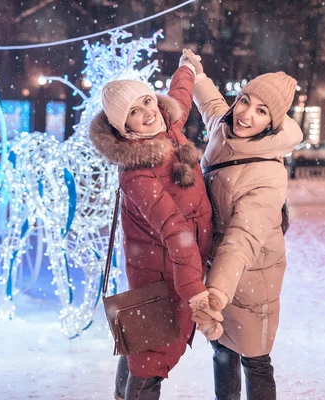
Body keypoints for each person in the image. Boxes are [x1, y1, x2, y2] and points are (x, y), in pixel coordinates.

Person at [89, 50, 222, 400]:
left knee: (142, 346)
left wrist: (186, 68)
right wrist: (195, 291)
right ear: (124, 127)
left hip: (173, 268)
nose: (147, 113)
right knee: (151, 360)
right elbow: (175, 231)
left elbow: (179, 97)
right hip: (163, 277)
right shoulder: (138, 174)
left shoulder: (169, 127)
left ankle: (122, 394)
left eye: (147, 101)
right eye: (134, 112)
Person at [185, 51, 303, 400]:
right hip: (219, 262)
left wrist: (217, 291)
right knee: (222, 350)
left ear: (273, 122)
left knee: (255, 357)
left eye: (261, 111)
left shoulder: (267, 173)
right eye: (245, 101)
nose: (246, 114)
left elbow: (243, 238)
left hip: (253, 272)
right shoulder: (226, 131)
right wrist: (198, 75)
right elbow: (211, 107)